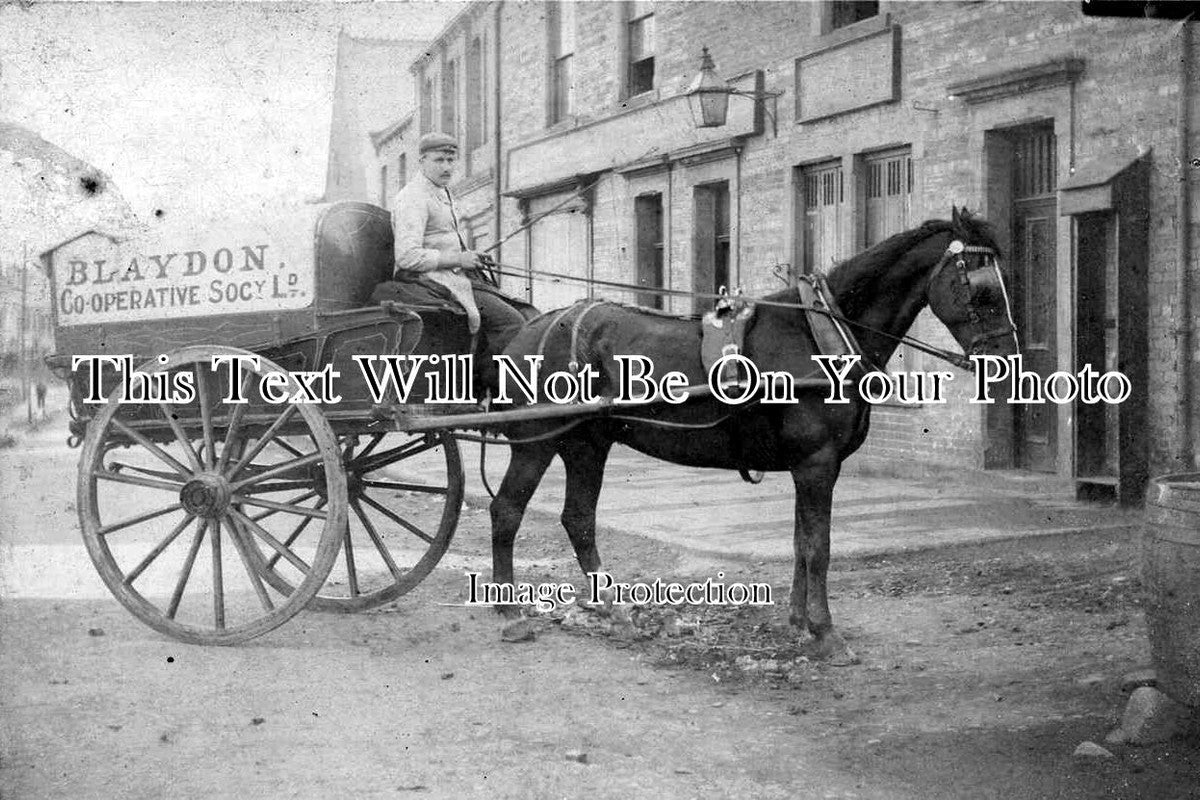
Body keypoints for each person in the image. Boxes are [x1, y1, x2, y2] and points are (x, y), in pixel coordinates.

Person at [391, 132, 528, 369]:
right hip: (428, 279)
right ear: (422, 161)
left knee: (522, 310)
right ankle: (486, 381)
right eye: (439, 160)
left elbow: (443, 240)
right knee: (511, 323)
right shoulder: (413, 197)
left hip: (453, 276)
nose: (447, 167)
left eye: (451, 160)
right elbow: (406, 256)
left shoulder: (441, 192)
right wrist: (458, 259)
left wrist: (470, 256)